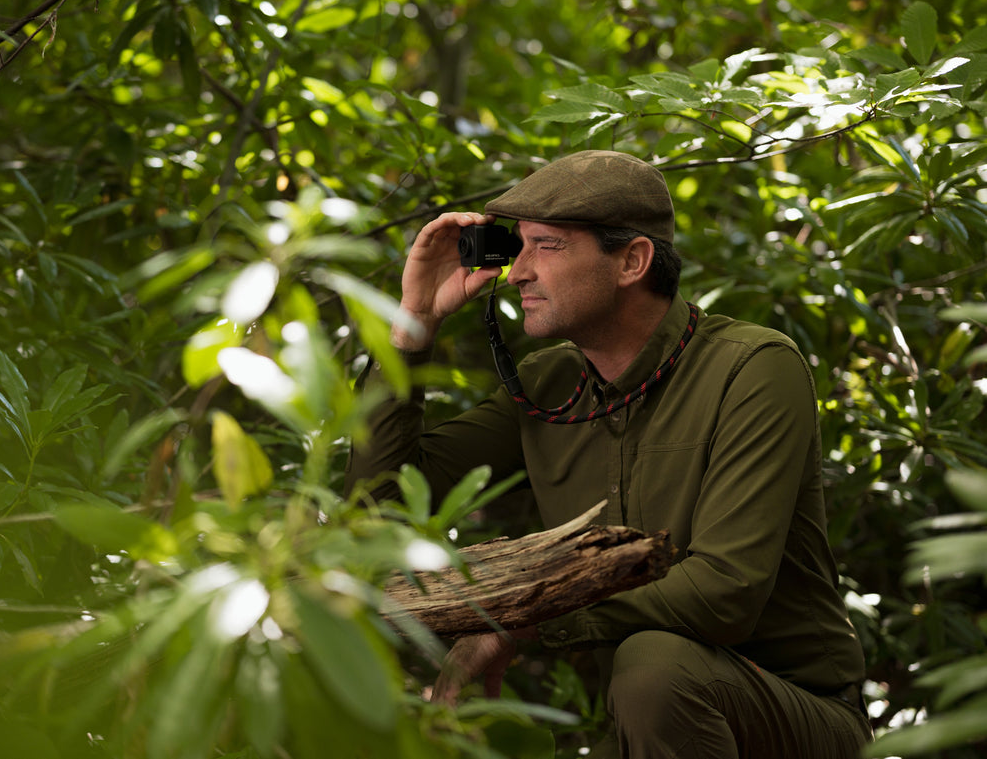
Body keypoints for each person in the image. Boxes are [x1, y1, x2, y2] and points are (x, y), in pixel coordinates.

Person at [345, 150, 872, 758]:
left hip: (796, 720)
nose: (517, 273)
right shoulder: (548, 387)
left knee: (655, 666)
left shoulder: (752, 368)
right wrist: (412, 324)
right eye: (516, 247)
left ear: (631, 260)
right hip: (641, 731)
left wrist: (525, 620)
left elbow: (724, 592)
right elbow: (377, 506)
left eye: (546, 246)